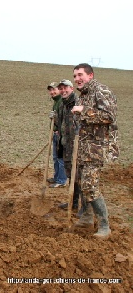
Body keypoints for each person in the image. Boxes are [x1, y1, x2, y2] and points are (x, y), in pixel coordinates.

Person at [71, 63, 119, 240]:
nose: (77, 79)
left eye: (80, 75)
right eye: (75, 76)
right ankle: (87, 217)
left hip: (97, 148)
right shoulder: (83, 95)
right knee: (83, 182)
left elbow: (109, 116)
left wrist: (84, 111)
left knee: (90, 185)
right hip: (85, 148)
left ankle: (104, 226)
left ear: (90, 75)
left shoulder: (101, 91)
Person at [55, 79, 83, 214]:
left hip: (78, 145)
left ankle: (83, 207)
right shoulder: (62, 104)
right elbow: (60, 123)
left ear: (72, 88)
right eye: (61, 88)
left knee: (79, 175)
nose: (63, 90)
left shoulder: (78, 103)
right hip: (66, 144)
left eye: (66, 88)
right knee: (70, 174)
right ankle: (73, 202)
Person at [47, 82, 67, 188]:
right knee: (55, 157)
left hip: (61, 135)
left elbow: (65, 119)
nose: (52, 92)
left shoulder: (61, 101)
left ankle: (61, 180)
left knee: (60, 158)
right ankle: (56, 177)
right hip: (55, 133)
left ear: (59, 90)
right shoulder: (56, 101)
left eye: (54, 89)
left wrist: (57, 125)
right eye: (50, 90)